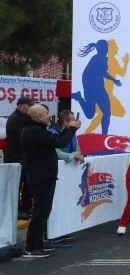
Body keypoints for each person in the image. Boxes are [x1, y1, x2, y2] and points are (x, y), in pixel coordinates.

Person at [20, 104, 81, 258]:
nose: (49, 116)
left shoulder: (38, 130)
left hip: (45, 175)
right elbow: (59, 143)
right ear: (38, 117)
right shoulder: (33, 131)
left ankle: (38, 242)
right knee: (40, 211)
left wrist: (69, 130)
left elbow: (57, 140)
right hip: (39, 176)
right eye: (46, 113)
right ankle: (32, 246)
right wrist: (71, 129)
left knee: (44, 211)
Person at [5, 96, 34, 219]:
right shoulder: (15, 119)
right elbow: (23, 136)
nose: (30, 108)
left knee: (27, 183)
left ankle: (26, 207)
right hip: (15, 157)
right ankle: (17, 210)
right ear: (21, 106)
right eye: (29, 106)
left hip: (23, 157)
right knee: (16, 185)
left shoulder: (23, 117)